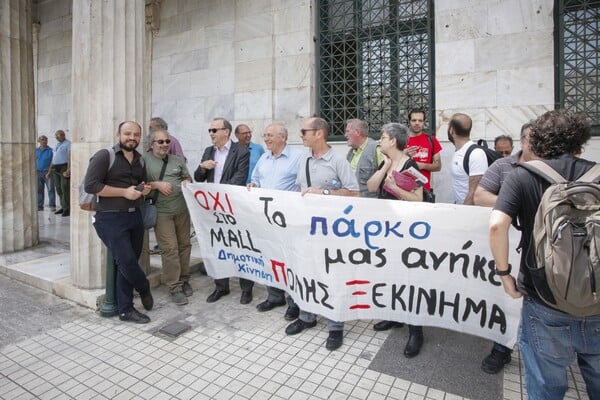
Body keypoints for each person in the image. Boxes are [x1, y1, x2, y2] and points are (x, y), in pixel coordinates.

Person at [489, 109, 598, 399]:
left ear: (537, 139)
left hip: (544, 297)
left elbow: (497, 225)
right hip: (597, 295)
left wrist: (504, 275)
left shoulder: (522, 176)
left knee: (546, 385)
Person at [285, 117, 359, 351]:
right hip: (307, 230)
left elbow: (354, 193)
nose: (301, 135)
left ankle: (335, 327)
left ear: (319, 133)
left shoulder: (338, 160)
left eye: (304, 131)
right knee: (307, 272)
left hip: (333, 232)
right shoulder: (304, 159)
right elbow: (300, 190)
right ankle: (307, 317)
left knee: (332, 277)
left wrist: (323, 192)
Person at [473, 122, 537, 374]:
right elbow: (480, 197)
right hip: (508, 246)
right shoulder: (502, 166)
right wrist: (516, 204)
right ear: (523, 141)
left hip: (542, 248)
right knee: (509, 296)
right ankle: (502, 349)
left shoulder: (553, 167)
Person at [84, 121, 154, 324]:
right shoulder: (105, 156)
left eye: (136, 134)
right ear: (118, 135)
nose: (132, 138)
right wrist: (123, 192)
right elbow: (91, 186)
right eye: (127, 133)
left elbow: (139, 184)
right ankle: (143, 287)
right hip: (110, 217)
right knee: (127, 261)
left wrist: (143, 189)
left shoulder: (140, 160)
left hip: (134, 216)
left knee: (129, 262)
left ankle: (125, 310)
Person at [366, 123, 426, 358]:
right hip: (385, 230)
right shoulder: (387, 162)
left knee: (408, 280)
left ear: (393, 141)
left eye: (382, 137)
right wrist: (386, 168)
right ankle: (393, 316)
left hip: (406, 231)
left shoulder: (411, 166)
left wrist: (394, 187)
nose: (379, 141)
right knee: (389, 277)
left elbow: (419, 200)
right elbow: (371, 186)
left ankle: (416, 331)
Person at [194, 117, 254, 304]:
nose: (211, 134)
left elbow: (239, 177)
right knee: (217, 247)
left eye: (214, 130)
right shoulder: (208, 151)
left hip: (233, 208)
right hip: (213, 211)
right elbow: (198, 178)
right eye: (210, 130)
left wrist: (218, 196)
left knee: (240, 247)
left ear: (226, 132)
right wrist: (202, 168)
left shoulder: (241, 151)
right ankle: (221, 287)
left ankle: (246, 289)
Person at [249, 123, 303, 321]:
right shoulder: (264, 157)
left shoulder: (298, 157)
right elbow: (256, 179)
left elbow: (304, 185)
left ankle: (294, 302)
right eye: (265, 135)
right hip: (265, 219)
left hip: (287, 221)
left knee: (289, 261)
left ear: (283, 137)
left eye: (270, 135)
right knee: (270, 259)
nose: (266, 139)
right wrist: (253, 185)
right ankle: (274, 296)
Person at [144, 128, 193, 306]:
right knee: (170, 249)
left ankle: (185, 279)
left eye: (167, 141)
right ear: (151, 144)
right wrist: (155, 184)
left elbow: (187, 177)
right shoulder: (143, 161)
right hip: (161, 212)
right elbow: (138, 185)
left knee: (185, 245)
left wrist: (187, 180)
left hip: (181, 210)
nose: (165, 145)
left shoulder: (177, 160)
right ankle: (174, 287)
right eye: (161, 142)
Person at [448, 113, 488, 205]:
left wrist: (464, 213)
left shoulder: (476, 154)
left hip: (469, 212)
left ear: (452, 131)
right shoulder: (459, 151)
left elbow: (474, 193)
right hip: (460, 208)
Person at [404, 109, 442, 197]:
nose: (417, 123)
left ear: (424, 122)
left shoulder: (432, 140)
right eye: (414, 120)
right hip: (403, 190)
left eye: (420, 120)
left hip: (424, 190)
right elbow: (392, 163)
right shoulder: (401, 140)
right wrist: (404, 154)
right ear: (409, 122)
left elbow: (438, 166)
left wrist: (423, 165)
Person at [344, 118, 383, 198]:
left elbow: (385, 178)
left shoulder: (376, 149)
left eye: (348, 131)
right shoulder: (350, 153)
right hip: (352, 201)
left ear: (357, 132)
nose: (345, 135)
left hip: (370, 203)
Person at [49, 130, 71, 216]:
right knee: (58, 188)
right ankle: (63, 206)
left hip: (63, 167)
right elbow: (54, 157)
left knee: (64, 187)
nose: (57, 138)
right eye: (56, 136)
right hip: (55, 167)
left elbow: (70, 157)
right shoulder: (57, 145)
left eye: (58, 136)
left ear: (63, 135)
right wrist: (50, 169)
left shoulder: (68, 144)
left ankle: (67, 208)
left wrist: (68, 169)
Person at [36, 135, 56, 211]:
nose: (44, 141)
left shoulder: (51, 150)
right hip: (38, 172)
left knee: (51, 189)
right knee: (39, 190)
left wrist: (49, 171)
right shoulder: (36, 150)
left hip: (48, 172)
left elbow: (52, 161)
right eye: (42, 139)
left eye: (45, 140)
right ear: (39, 141)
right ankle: (39, 206)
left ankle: (52, 205)